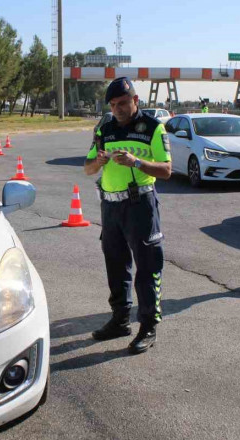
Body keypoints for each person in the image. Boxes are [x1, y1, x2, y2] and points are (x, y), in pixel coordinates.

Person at [84, 77, 172, 354]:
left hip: (140, 205)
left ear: (136, 100)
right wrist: (97, 161)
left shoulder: (153, 128)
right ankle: (120, 319)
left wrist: (136, 162)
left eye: (123, 103)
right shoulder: (105, 129)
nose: (118, 109)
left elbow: (166, 170)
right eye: (113, 104)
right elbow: (87, 168)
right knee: (116, 264)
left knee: (147, 266)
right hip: (110, 207)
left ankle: (148, 326)